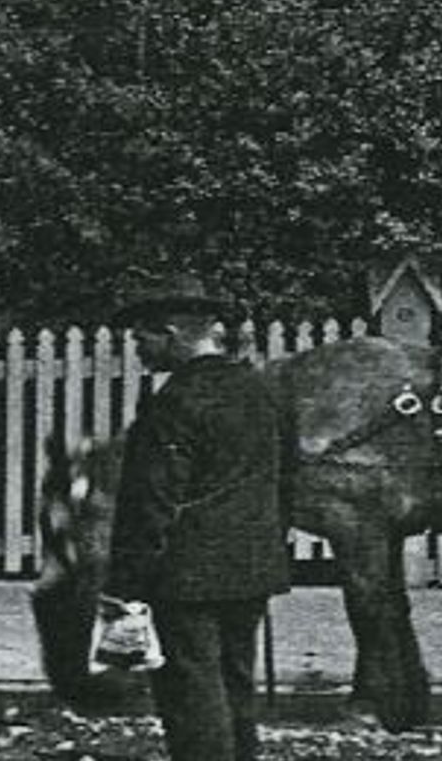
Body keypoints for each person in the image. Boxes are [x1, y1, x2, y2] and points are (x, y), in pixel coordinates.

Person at [101, 278, 290, 761]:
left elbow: (151, 502)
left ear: (170, 333)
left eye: (141, 338)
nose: (138, 349)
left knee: (191, 691)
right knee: (234, 682)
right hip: (252, 566)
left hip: (185, 573)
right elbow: (286, 476)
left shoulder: (174, 403)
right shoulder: (260, 392)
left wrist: (126, 584)